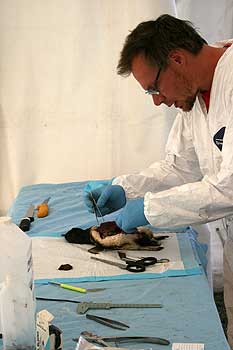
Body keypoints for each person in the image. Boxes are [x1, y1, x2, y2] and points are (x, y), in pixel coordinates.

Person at [83, 14, 233, 347]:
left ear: (177, 59)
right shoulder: (194, 96)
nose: (157, 100)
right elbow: (179, 166)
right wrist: (126, 189)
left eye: (154, 87)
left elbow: (228, 188)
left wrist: (149, 209)